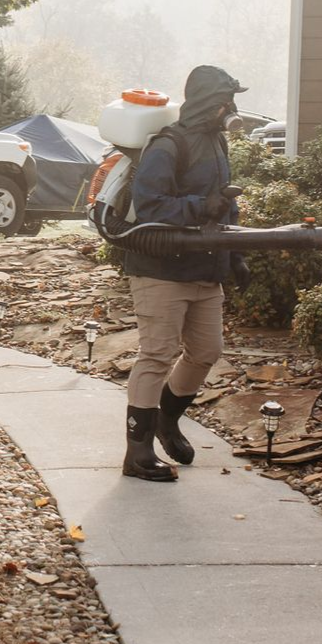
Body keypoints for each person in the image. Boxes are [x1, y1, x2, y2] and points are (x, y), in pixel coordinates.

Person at [120, 65, 251, 482]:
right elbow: (149, 205)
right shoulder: (168, 145)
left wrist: (235, 256)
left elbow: (225, 205)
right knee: (157, 355)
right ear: (206, 102)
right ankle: (137, 453)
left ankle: (166, 420)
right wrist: (199, 206)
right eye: (225, 101)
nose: (230, 109)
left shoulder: (216, 142)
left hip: (204, 269)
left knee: (206, 351)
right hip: (161, 271)